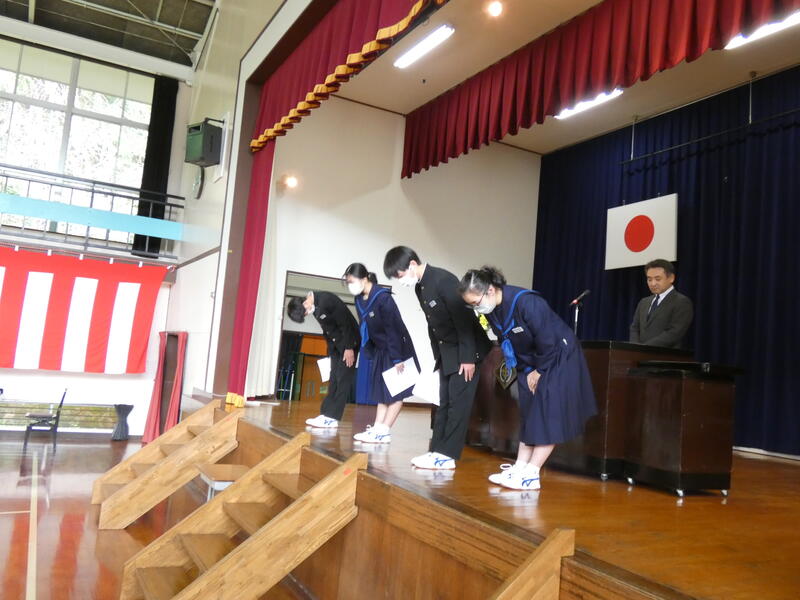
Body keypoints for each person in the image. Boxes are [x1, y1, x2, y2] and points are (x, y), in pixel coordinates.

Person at [459, 266, 597, 491]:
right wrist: (527, 370)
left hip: (557, 357)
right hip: (529, 362)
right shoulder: (492, 310)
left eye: (476, 302)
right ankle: (520, 467)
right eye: (472, 305)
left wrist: (539, 371)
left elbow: (548, 340)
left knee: (547, 414)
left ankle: (532, 473)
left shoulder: (527, 302)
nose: (477, 308)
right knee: (529, 413)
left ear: (490, 290)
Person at [383, 246, 491, 470]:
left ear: (412, 264)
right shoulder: (420, 287)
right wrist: (438, 359)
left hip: (467, 352)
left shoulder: (444, 280)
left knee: (458, 405)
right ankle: (437, 451)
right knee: (443, 402)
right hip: (447, 352)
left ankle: (447, 456)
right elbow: (432, 326)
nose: (401, 281)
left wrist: (468, 358)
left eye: (400, 276)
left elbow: (464, 321)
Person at [344, 263, 419, 444]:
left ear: (364, 279)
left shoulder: (383, 298)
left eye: (352, 281)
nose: (350, 286)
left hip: (397, 350)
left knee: (396, 392)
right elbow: (366, 326)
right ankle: (377, 428)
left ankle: (384, 431)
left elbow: (393, 329)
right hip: (380, 349)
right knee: (381, 391)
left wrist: (397, 358)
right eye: (348, 283)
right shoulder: (359, 300)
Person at [286, 290, 360, 429]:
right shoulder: (315, 307)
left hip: (349, 343)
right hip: (337, 345)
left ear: (305, 303)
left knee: (342, 379)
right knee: (333, 378)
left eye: (304, 313)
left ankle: (333, 418)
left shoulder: (326, 300)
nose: (306, 315)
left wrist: (349, 348)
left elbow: (345, 324)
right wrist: (330, 351)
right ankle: (326, 414)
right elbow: (328, 330)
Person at [629, 259, 693, 348]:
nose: (653, 283)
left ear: (671, 278)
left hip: (664, 354)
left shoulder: (682, 302)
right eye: (649, 279)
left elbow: (674, 333)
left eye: (657, 279)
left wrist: (644, 348)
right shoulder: (643, 302)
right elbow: (635, 328)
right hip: (639, 354)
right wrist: (635, 348)